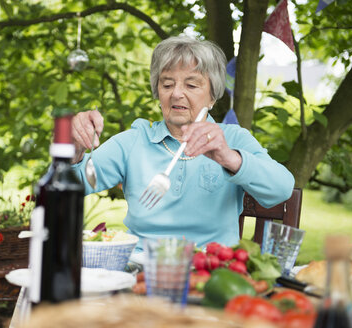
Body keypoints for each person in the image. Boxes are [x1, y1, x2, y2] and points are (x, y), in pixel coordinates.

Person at [71, 35, 295, 251]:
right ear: (158, 93)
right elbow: (66, 188)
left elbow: (282, 189)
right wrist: (75, 146)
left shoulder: (234, 139)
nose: (176, 94)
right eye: (167, 85)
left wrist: (228, 157)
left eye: (191, 85)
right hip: (142, 269)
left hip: (212, 269)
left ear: (212, 96)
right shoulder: (133, 141)